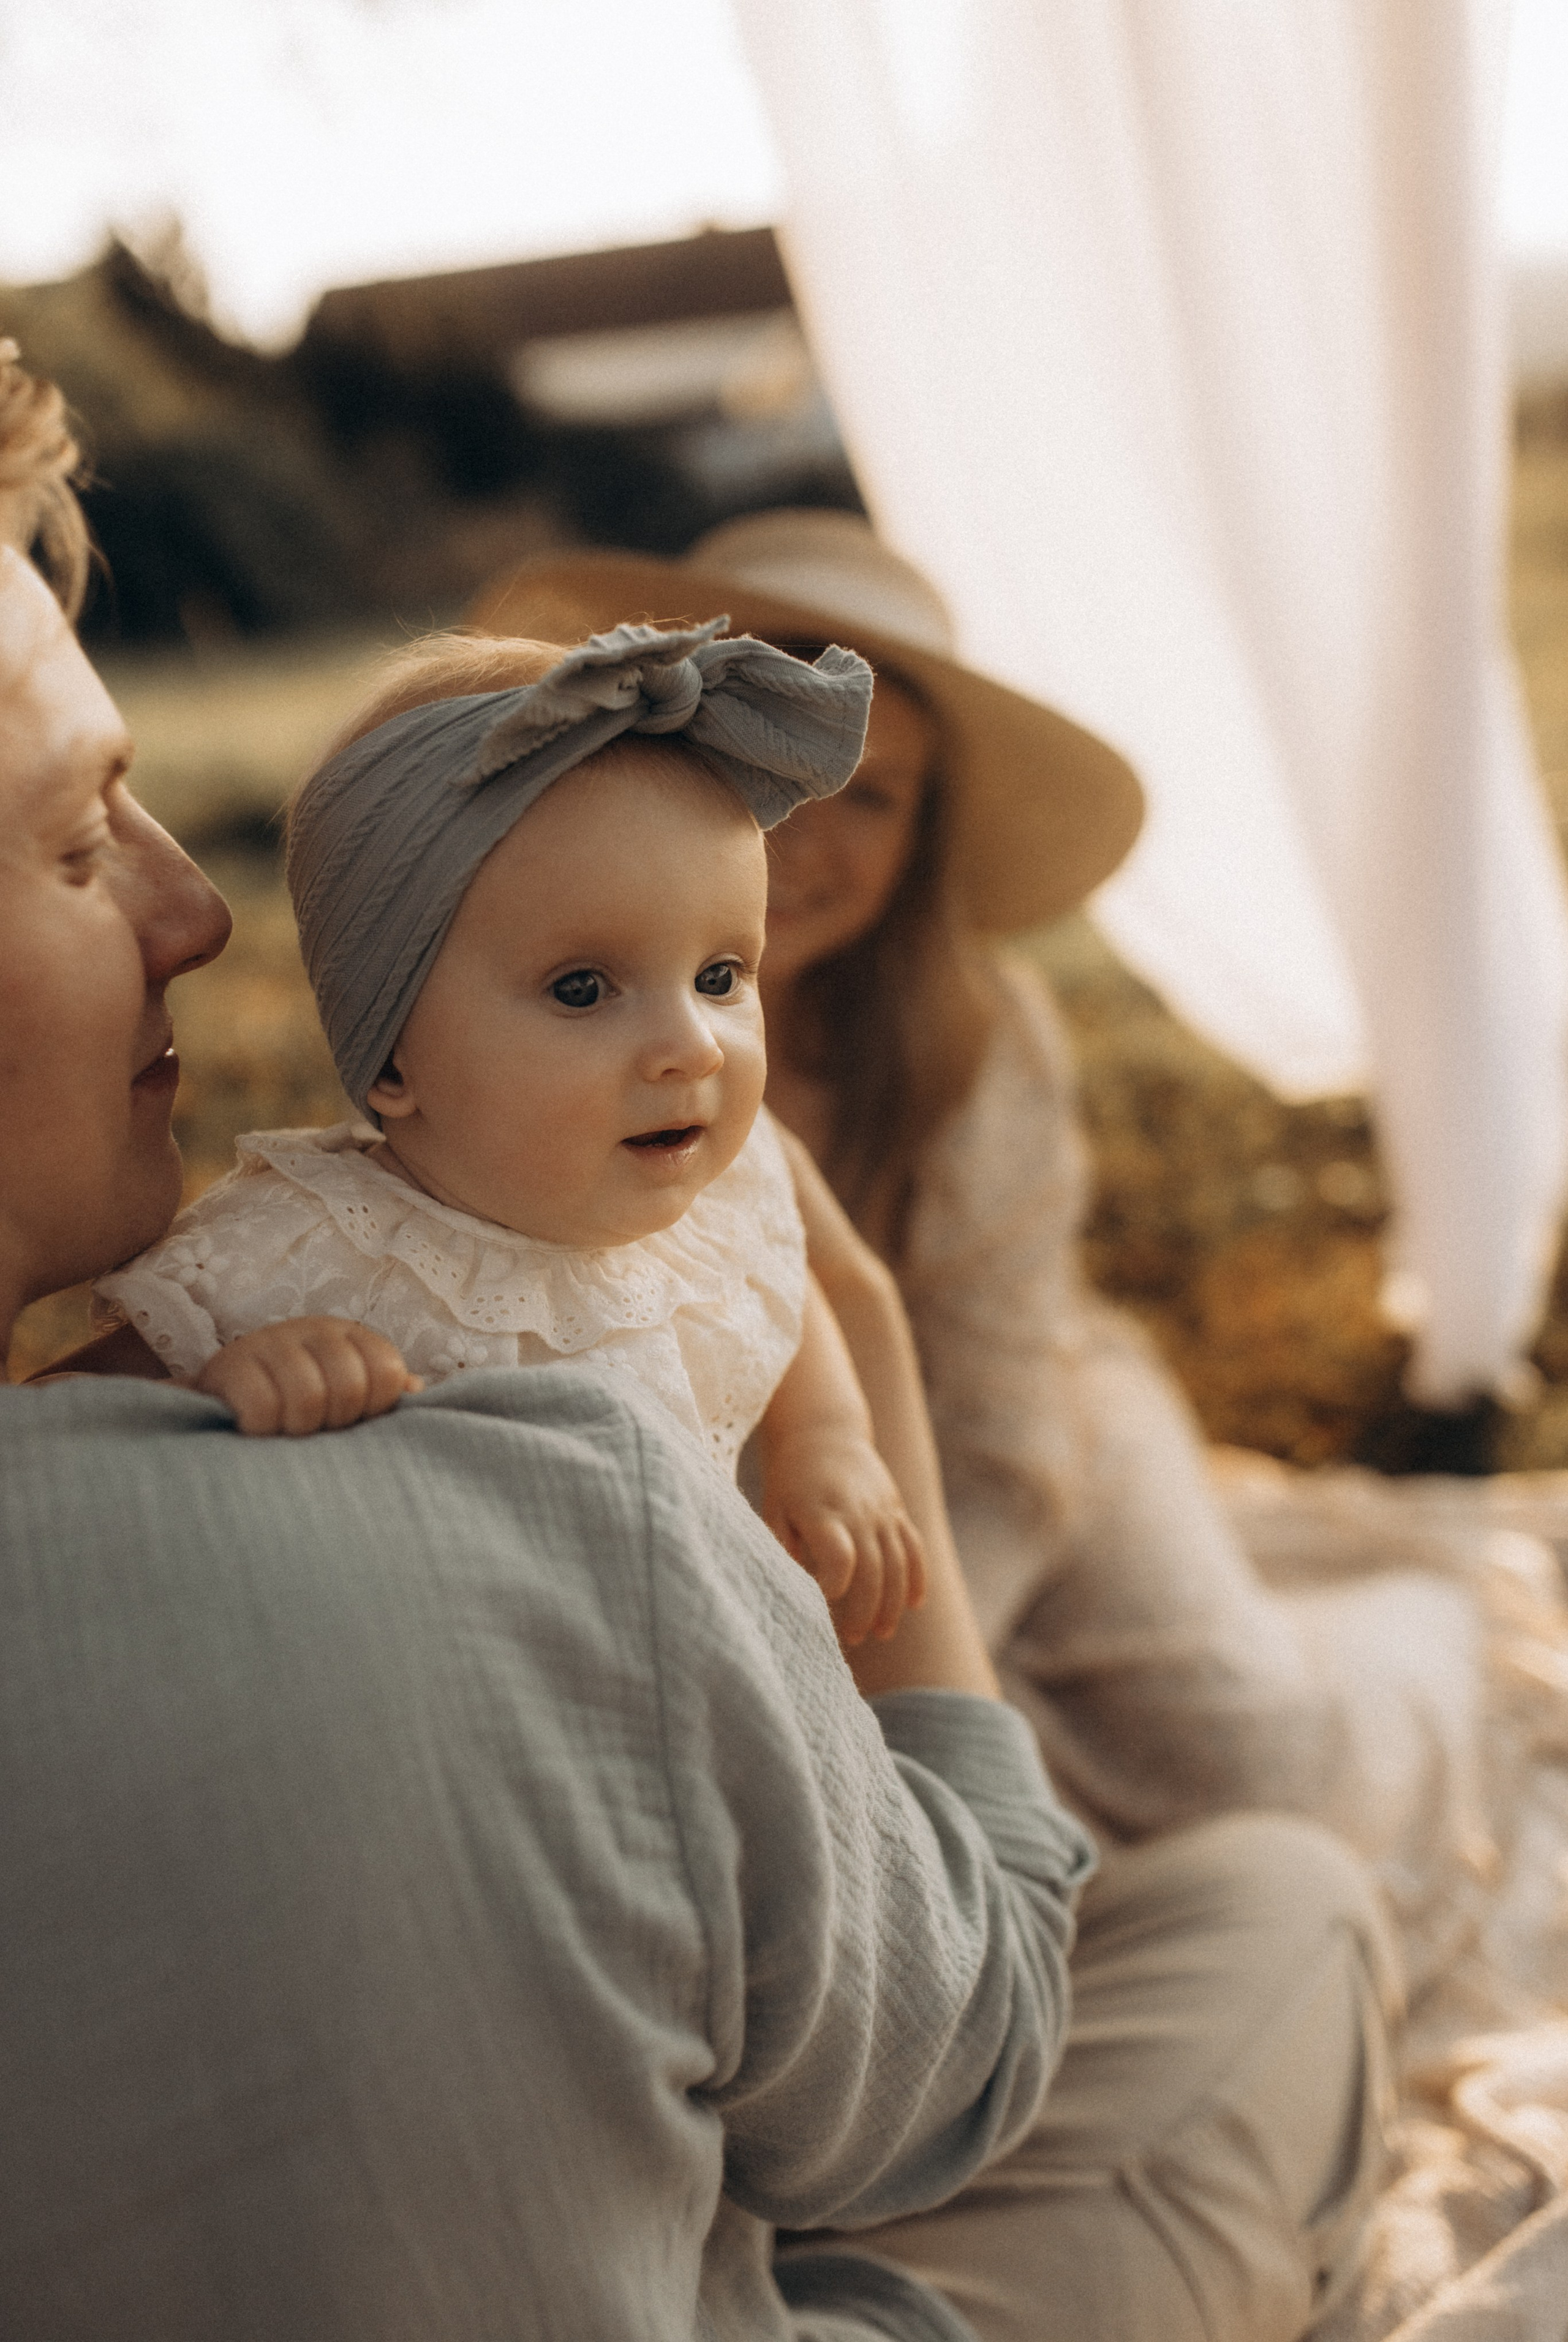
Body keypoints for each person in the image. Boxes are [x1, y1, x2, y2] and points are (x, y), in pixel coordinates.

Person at [2, 353, 1394, 2342]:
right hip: (793, 2084)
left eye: (716, 971)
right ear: (399, 1044)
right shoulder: (540, 1487)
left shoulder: (953, 1061)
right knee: (1276, 1902)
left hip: (898, 1548)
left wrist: (847, 1430)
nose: (191, 916)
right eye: (70, 843)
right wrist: (869, 1407)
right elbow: (953, 2080)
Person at [472, 512, 1488, 1982]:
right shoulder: (530, 1000)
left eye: (875, 798)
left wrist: (894, 1657)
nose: (816, 836)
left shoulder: (971, 1043)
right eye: (777, 760)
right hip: (762, 1461)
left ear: (925, 841)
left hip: (1014, 1425)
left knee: (1248, 1766)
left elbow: (1004, 1427)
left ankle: (1415, 1645)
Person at [89, 619, 924, 1643]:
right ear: (393, 1058)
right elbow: (49, 1437)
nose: (692, 1048)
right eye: (582, 988)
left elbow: (781, 1287)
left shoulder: (726, 1193)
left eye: (719, 978)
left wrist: (826, 1440)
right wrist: (219, 1388)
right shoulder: (311, 1250)